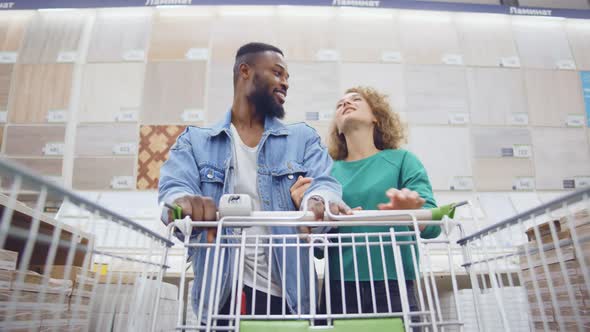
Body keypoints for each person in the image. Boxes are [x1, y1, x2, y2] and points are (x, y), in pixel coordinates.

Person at [158, 42, 349, 322]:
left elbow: (325, 185)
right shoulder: (195, 142)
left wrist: (316, 202)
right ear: (245, 71)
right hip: (221, 296)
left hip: (288, 297)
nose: (285, 83)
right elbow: (174, 191)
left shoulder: (302, 139)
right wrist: (182, 203)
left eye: (287, 78)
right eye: (277, 73)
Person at [290, 86, 440, 321]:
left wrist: (411, 212)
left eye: (356, 99)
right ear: (338, 128)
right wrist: (306, 210)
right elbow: (318, 249)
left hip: (393, 286)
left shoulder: (402, 160)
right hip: (338, 289)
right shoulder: (326, 173)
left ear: (376, 117)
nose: (345, 104)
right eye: (340, 104)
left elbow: (434, 224)